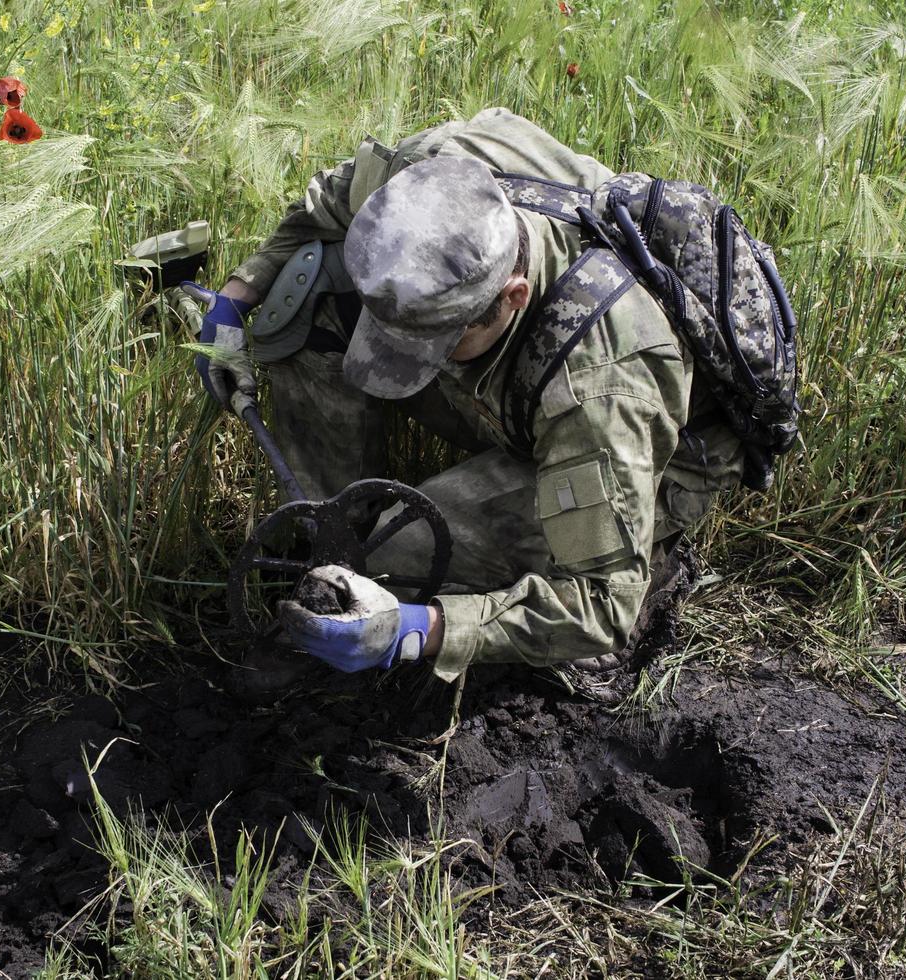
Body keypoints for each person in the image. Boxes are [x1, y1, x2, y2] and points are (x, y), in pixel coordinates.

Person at [182, 108, 745, 684]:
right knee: (302, 298)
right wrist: (235, 300)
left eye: (435, 342)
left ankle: (648, 552)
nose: (392, 359)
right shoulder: (429, 174)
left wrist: (419, 629)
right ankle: (332, 543)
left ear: (512, 296)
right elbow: (329, 199)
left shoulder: (601, 388)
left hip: (648, 457)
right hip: (517, 393)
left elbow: (602, 608)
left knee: (397, 559)